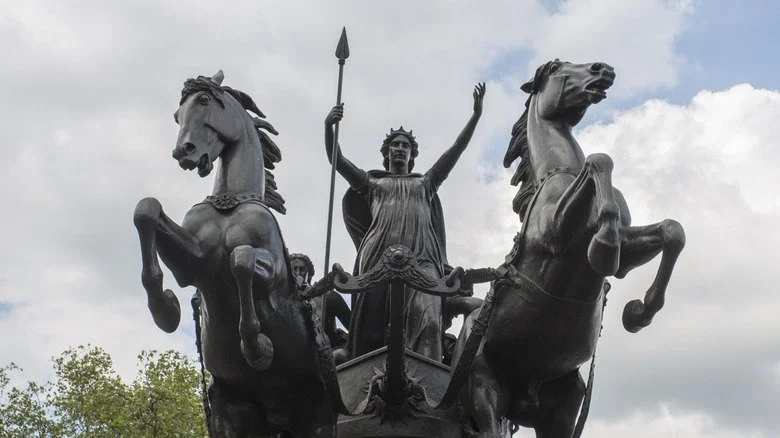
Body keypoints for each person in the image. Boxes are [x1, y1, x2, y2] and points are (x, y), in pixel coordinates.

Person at [323, 83, 486, 361]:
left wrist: (476, 116)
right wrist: (329, 126)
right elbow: (336, 160)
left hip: (423, 260)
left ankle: (427, 378)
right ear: (386, 152)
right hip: (378, 258)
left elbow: (456, 149)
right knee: (369, 336)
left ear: (412, 155)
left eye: (405, 145)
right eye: (395, 145)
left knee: (430, 323)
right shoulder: (372, 183)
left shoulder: (426, 183)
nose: (400, 148)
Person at [289, 253, 351, 363]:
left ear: (309, 273)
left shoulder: (328, 297)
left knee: (340, 355)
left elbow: (353, 326)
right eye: (294, 269)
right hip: (301, 362)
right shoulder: (284, 306)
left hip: (331, 357)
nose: (298, 273)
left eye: (302, 269)